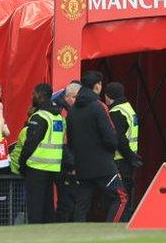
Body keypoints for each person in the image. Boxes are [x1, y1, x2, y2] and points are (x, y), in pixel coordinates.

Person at [67, 71, 127, 222]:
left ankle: (77, 236)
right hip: (103, 166)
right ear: (97, 86)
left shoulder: (72, 111)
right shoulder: (98, 107)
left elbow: (71, 141)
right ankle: (109, 232)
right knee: (121, 198)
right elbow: (111, 138)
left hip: (82, 166)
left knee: (81, 205)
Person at [15, 83, 63, 224]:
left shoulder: (39, 116)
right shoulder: (57, 117)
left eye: (34, 94)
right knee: (48, 207)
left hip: (36, 167)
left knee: (35, 208)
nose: (32, 97)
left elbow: (30, 144)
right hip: (53, 167)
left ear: (40, 95)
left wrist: (22, 164)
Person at [105, 82, 141, 221]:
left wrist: (131, 156)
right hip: (128, 158)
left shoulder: (116, 112)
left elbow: (119, 139)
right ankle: (124, 223)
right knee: (125, 195)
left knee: (120, 197)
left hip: (120, 160)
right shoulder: (128, 108)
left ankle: (115, 224)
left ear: (109, 96)